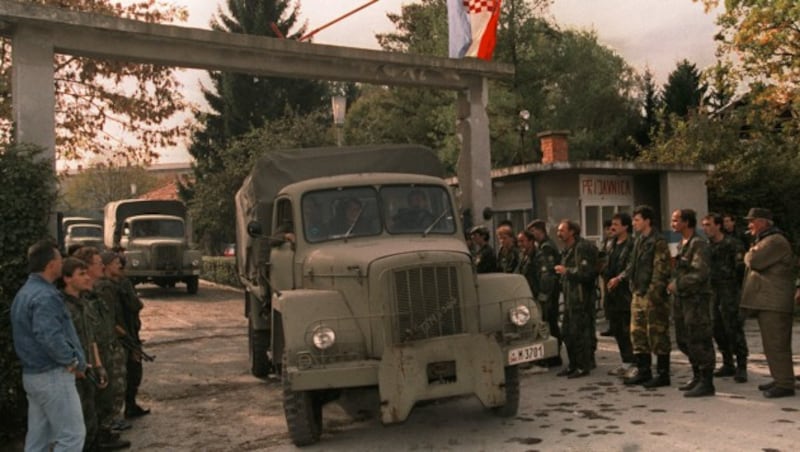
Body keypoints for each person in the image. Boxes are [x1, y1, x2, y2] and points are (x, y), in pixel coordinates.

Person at [10, 239, 87, 451]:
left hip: (33, 376)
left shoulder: (25, 292)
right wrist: (71, 360)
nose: (63, 264)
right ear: (51, 264)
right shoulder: (45, 296)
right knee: (72, 436)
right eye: (60, 260)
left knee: (39, 440)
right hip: (52, 376)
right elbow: (49, 336)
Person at [74, 247, 131, 449]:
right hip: (95, 353)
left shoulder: (95, 291)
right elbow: (90, 332)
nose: (101, 266)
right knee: (97, 398)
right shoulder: (88, 295)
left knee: (108, 394)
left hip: (107, 347)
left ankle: (103, 433)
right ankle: (96, 438)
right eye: (97, 263)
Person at [739, 208, 796, 398]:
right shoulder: (767, 240)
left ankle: (785, 384)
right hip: (770, 301)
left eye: (752, 221)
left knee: (776, 344)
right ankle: (780, 378)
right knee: (772, 344)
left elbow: (754, 260)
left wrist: (749, 252)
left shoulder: (775, 241)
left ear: (763, 222)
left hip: (775, 302)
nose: (749, 225)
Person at [616, 205, 671, 387]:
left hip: (652, 296)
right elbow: (632, 265)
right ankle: (644, 371)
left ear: (647, 221)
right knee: (637, 334)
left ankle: (663, 375)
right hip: (638, 293)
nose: (634, 223)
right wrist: (621, 277)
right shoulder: (639, 240)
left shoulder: (658, 241)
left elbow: (660, 270)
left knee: (657, 334)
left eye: (637, 220)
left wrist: (652, 295)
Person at [61, 257, 108, 451]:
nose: (88, 278)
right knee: (75, 429)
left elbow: (91, 339)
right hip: (72, 375)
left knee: (91, 422)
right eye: (82, 274)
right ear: (66, 279)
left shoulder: (83, 304)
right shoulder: (62, 307)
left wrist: (98, 365)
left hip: (88, 372)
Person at [668, 209, 715, 396]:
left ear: (686, 222)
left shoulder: (699, 244)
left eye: (676, 220)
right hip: (682, 298)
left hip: (696, 299)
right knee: (683, 340)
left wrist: (677, 283)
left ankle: (706, 381)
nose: (672, 224)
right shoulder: (682, 243)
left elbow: (700, 273)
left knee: (699, 339)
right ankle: (697, 375)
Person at [701, 213, 748, 383]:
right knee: (716, 328)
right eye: (704, 225)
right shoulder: (706, 246)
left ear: (718, 225)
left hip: (729, 290)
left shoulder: (732, 244)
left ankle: (741, 365)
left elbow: (741, 270)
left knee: (733, 327)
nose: (705, 228)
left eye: (708, 224)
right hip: (713, 291)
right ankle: (728, 362)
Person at [106, 252, 150, 419]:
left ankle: (130, 406)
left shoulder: (120, 284)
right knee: (122, 375)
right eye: (117, 263)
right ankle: (115, 416)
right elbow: (135, 305)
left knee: (134, 371)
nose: (121, 267)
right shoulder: (111, 287)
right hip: (121, 335)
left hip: (129, 331)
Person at [554, 220, 598, 378]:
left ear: (572, 232)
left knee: (581, 333)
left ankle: (583, 365)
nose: (559, 234)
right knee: (567, 333)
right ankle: (573, 364)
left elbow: (587, 273)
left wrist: (567, 271)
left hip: (581, 299)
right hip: (569, 298)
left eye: (562, 230)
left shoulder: (582, 248)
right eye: (558, 231)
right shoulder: (567, 249)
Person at [603, 213, 635, 377]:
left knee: (628, 329)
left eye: (616, 224)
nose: (612, 227)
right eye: (612, 224)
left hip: (626, 294)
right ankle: (625, 362)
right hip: (612, 294)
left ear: (625, 227)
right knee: (617, 330)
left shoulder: (632, 244)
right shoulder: (610, 244)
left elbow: (631, 266)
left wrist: (619, 278)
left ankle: (635, 363)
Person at [527, 219, 562, 367]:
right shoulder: (542, 245)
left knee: (550, 323)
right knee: (548, 323)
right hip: (548, 292)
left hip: (549, 292)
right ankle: (551, 356)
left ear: (539, 230)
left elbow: (548, 273)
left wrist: (544, 293)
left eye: (533, 231)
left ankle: (554, 357)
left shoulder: (546, 247)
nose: (532, 234)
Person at [598, 219, 615, 337]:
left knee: (615, 302)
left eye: (610, 229)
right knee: (608, 302)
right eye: (606, 229)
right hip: (606, 275)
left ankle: (617, 326)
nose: (608, 232)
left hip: (614, 275)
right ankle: (612, 326)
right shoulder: (604, 242)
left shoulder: (616, 242)